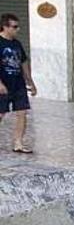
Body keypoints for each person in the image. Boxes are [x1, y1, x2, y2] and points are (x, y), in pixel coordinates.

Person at [0, 14, 36, 154]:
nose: (18, 29)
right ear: (5, 27)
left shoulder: (17, 44)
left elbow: (23, 63)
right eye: (14, 27)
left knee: (22, 113)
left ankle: (18, 143)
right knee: (1, 113)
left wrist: (30, 82)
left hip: (18, 84)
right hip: (4, 84)